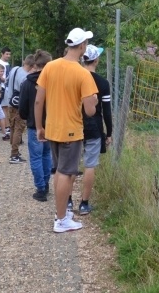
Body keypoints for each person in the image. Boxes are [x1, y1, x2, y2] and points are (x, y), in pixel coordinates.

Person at [35, 28, 98, 233]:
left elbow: (38, 101)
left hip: (52, 128)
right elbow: (90, 111)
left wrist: (39, 126)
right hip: (71, 129)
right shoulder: (83, 74)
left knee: (61, 171)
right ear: (81, 47)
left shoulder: (50, 67)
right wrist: (94, 101)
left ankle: (61, 212)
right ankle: (61, 219)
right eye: (85, 43)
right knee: (65, 172)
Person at [78, 44, 112, 214]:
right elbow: (107, 111)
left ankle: (67, 201)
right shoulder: (103, 83)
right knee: (89, 165)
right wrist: (109, 133)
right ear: (96, 60)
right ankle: (84, 203)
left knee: (70, 165)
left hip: (74, 124)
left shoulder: (74, 77)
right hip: (94, 126)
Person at [18, 49, 53, 201]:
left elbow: (22, 107)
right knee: (47, 154)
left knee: (36, 157)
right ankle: (46, 183)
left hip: (34, 125)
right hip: (51, 124)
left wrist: (27, 117)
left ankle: (41, 188)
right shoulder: (53, 82)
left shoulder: (27, 83)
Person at [7, 54, 34, 164]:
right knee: (19, 128)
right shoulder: (25, 77)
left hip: (10, 102)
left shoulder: (15, 69)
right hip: (19, 105)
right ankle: (14, 154)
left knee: (13, 127)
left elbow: (7, 80)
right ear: (32, 66)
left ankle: (13, 150)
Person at [0, 47, 13, 136]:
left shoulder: (7, 63)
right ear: (2, 54)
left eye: (9, 54)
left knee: (3, 106)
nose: (8, 56)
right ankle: (6, 126)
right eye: (7, 54)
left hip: (7, 87)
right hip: (2, 87)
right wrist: (4, 80)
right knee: (4, 107)